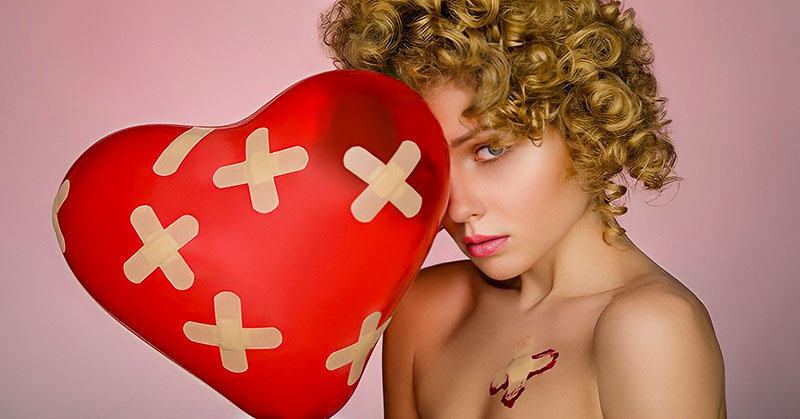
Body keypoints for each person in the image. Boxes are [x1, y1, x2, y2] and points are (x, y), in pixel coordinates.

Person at [319, 0, 726, 417]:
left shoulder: (649, 330)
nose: (457, 207)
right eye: (430, 164)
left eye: (491, 149)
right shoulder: (424, 311)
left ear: (583, 122)